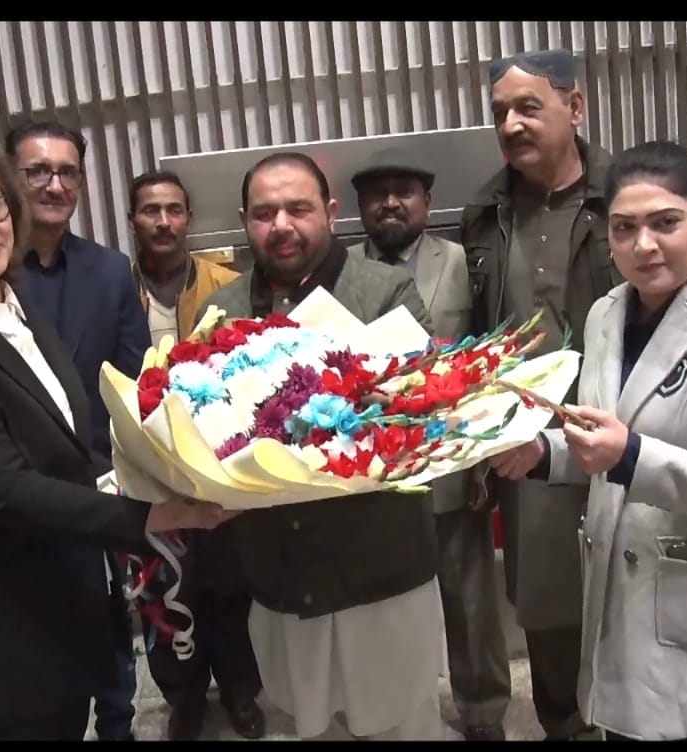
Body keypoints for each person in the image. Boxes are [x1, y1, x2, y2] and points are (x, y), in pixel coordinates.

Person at [0, 135, 232, 741]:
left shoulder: (14, 307)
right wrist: (152, 516)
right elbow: (3, 489)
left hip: (57, 591)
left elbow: (66, 437)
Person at [492, 139, 687, 740]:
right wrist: (542, 453)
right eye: (624, 228)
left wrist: (632, 456)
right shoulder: (606, 314)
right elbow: (601, 438)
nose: (643, 245)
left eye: (666, 223)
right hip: (620, 592)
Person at [199, 152, 445, 741]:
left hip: (381, 571)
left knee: (403, 724)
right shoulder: (223, 313)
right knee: (304, 724)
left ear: (331, 213)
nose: (281, 225)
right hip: (282, 574)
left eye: (298, 208)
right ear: (244, 220)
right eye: (264, 213)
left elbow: (424, 413)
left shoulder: (385, 290)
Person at [464, 47, 620, 742]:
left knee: (633, 582)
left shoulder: (625, 196)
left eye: (529, 107)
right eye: (500, 112)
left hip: (622, 422)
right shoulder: (485, 212)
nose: (511, 125)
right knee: (547, 600)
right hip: (528, 438)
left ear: (575, 107)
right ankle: (565, 724)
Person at [347, 149, 510, 741]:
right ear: (360, 207)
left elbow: (488, 357)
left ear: (428, 200)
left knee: (469, 599)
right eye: (378, 194)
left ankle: (483, 710)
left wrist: (483, 461)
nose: (391, 203)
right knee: (384, 608)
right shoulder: (339, 271)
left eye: (405, 191)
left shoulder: (464, 260)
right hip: (371, 470)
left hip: (452, 459)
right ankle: (399, 713)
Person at [4, 119, 150, 740]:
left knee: (113, 630)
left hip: (99, 478)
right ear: (9, 179)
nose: (54, 184)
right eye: (38, 171)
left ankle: (118, 725)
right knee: (37, 644)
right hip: (16, 489)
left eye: (67, 172)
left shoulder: (111, 270)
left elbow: (136, 380)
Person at [126, 170, 264, 741]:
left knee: (229, 582)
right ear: (133, 220)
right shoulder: (117, 289)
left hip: (218, 461)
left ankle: (239, 690)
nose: (163, 222)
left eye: (174, 210)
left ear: (188, 218)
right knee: (161, 586)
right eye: (150, 210)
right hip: (149, 469)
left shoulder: (225, 284)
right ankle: (183, 698)